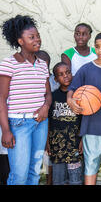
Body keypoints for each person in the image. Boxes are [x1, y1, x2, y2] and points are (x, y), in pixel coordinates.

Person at [0, 15, 52, 185]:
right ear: (20, 41)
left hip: (40, 123)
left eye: (38, 36)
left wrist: (45, 107)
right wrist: (6, 130)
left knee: (34, 172)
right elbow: (1, 98)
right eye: (32, 37)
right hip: (19, 125)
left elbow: (47, 94)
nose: (37, 40)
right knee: (19, 175)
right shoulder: (8, 64)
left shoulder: (42, 64)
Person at [67, 32, 101, 185]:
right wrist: (70, 100)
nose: (100, 50)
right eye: (97, 47)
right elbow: (72, 89)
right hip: (91, 125)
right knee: (91, 163)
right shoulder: (86, 69)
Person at [47, 62, 83, 185]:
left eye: (68, 72)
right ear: (56, 79)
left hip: (75, 144)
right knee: (58, 180)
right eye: (61, 74)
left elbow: (84, 120)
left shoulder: (79, 95)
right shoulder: (53, 96)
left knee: (76, 180)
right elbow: (48, 121)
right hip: (57, 146)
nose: (66, 76)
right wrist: (47, 141)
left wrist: (83, 139)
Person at [35, 49, 58, 185]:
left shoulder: (53, 81)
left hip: (53, 121)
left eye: (45, 64)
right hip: (36, 120)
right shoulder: (31, 79)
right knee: (38, 153)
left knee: (50, 154)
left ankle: (50, 181)